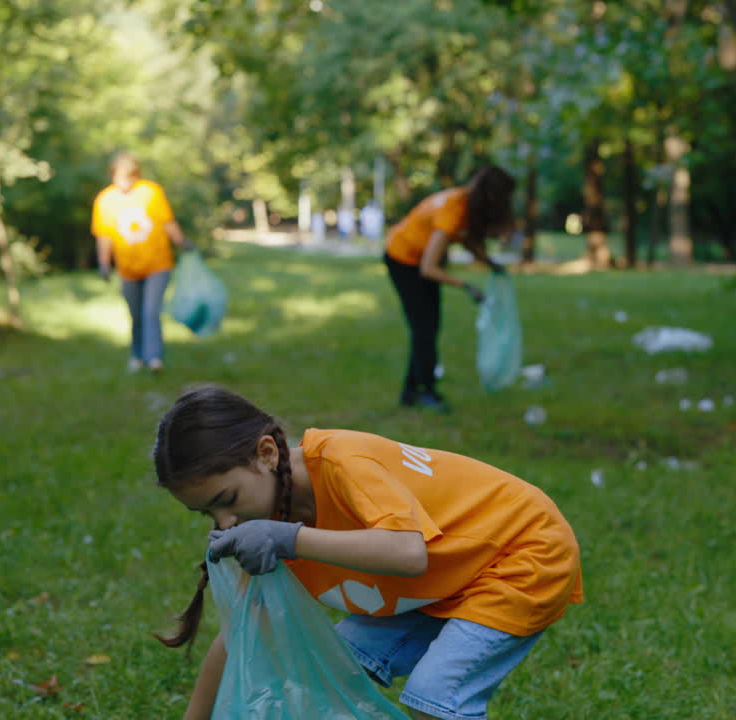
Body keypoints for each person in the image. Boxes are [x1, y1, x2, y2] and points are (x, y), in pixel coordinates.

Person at [153, 386, 583, 720]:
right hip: (442, 580)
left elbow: (407, 553)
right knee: (323, 666)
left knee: (434, 696)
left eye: (228, 498)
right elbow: (241, 635)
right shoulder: (264, 517)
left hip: (520, 552)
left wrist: (290, 538)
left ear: (266, 453)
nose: (225, 522)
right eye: (207, 513)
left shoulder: (342, 463)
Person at [383, 166, 515, 411]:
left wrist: (489, 262)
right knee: (424, 329)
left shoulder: (466, 201)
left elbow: (467, 240)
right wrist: (467, 287)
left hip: (416, 260)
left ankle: (412, 392)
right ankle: (425, 392)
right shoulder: (453, 210)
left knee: (427, 328)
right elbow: (429, 268)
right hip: (402, 259)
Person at [91, 153, 192, 373]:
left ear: (136, 175)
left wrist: (181, 241)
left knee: (150, 311)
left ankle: (154, 358)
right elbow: (104, 236)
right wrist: (104, 263)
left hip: (158, 264)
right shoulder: (105, 200)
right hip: (127, 269)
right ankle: (137, 356)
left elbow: (167, 222)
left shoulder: (151, 192)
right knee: (135, 314)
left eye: (128, 177)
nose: (123, 182)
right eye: (119, 177)